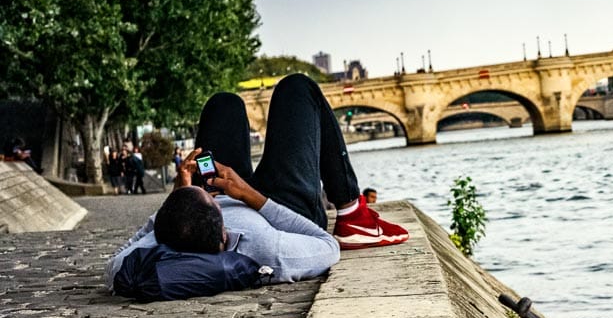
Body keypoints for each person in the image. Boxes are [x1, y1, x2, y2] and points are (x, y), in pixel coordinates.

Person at [105, 74, 408, 290]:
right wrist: (250, 196)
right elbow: (327, 246)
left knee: (223, 104)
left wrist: (180, 197)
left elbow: (116, 262)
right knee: (297, 88)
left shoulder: (149, 252)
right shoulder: (267, 248)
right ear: (224, 232)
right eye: (204, 195)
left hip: (209, 209)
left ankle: (200, 193)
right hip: (279, 210)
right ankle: (354, 214)